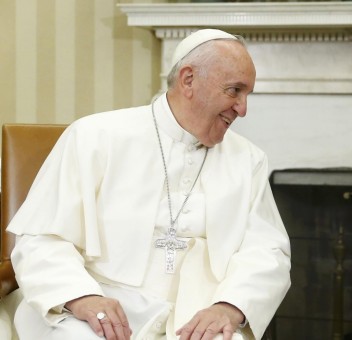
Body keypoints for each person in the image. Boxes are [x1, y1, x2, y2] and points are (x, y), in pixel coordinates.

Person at [0, 29, 291, 340]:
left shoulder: (248, 159)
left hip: (195, 315)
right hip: (91, 306)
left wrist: (229, 307)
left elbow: (267, 253)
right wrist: (81, 297)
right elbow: (40, 238)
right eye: (234, 91)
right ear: (188, 80)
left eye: (247, 95)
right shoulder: (94, 136)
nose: (243, 109)